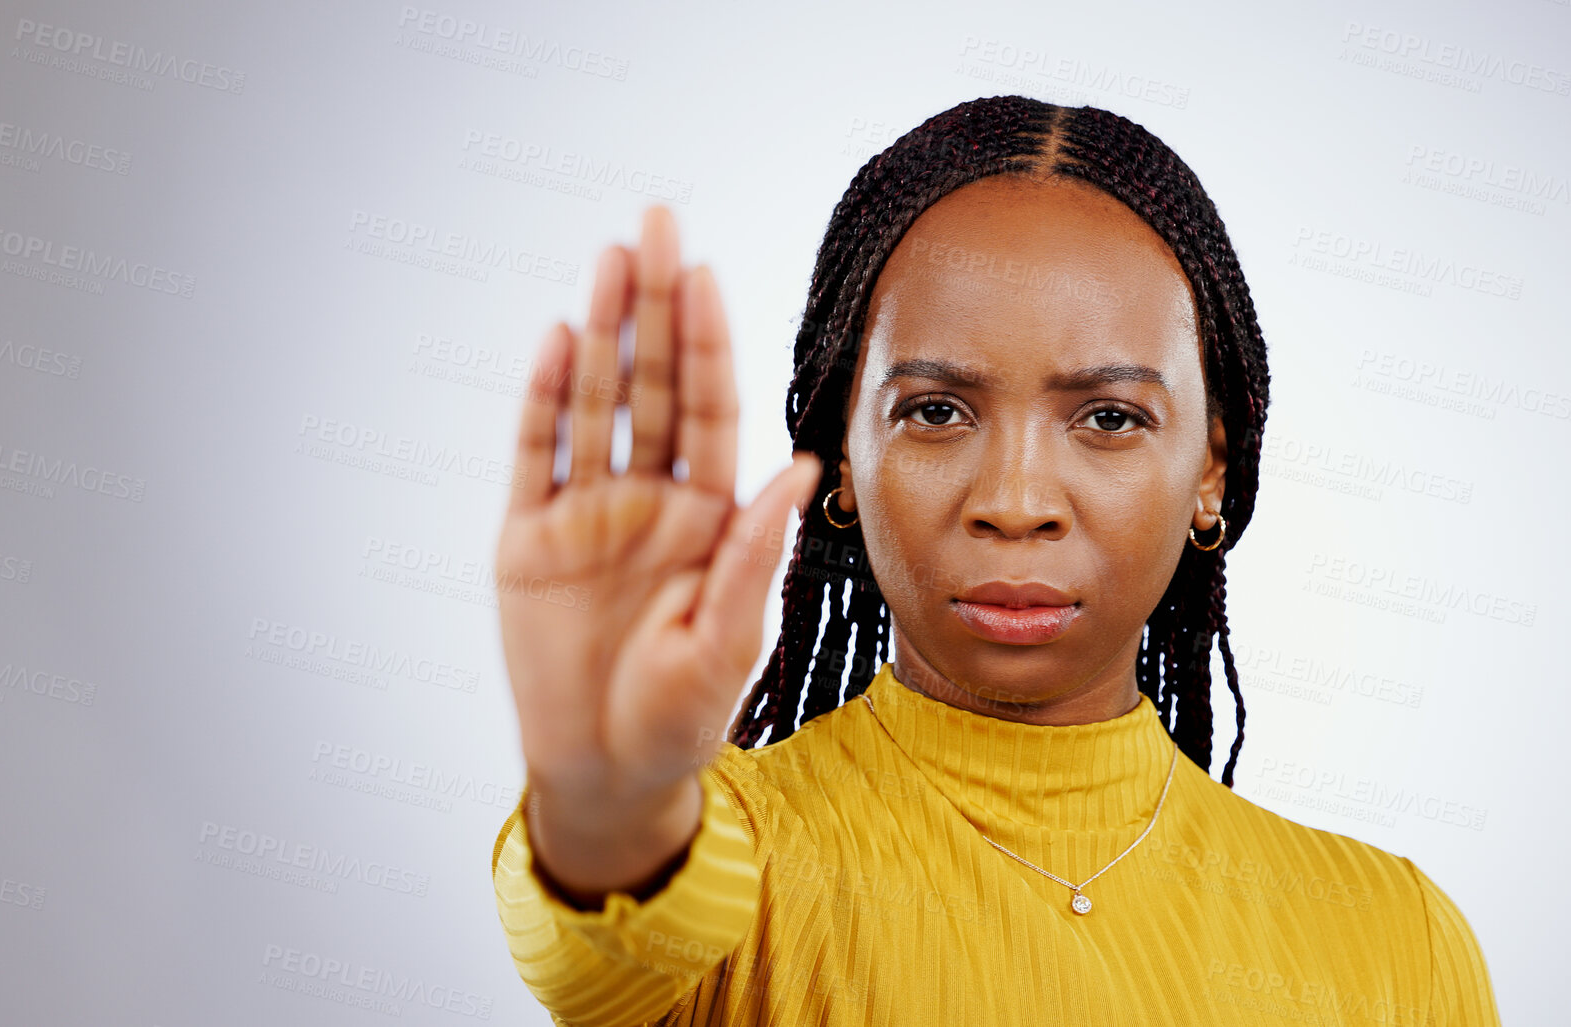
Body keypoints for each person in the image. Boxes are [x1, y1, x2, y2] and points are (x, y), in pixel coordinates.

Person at [490, 94, 1501, 1025]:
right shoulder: (726, 862)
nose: (1015, 503)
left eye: (1109, 416)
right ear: (844, 456)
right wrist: (600, 804)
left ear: (1210, 469)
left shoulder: (1394, 940)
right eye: (936, 411)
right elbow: (602, 946)